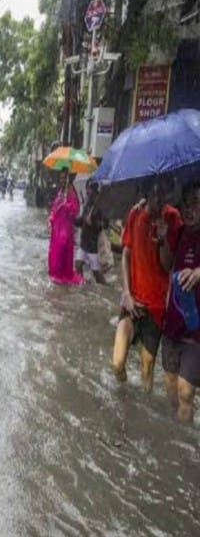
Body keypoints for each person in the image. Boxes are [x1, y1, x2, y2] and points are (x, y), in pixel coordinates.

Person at [112, 178, 180, 389]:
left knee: (146, 370)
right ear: (146, 192)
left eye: (163, 194)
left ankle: (140, 409)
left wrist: (163, 240)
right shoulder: (135, 214)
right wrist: (127, 294)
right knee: (117, 363)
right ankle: (122, 399)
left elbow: (168, 266)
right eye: (155, 194)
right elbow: (125, 255)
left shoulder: (172, 218)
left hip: (156, 308)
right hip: (132, 301)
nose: (159, 199)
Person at [160, 182, 200, 424]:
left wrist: (198, 273)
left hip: (195, 331)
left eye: (196, 202)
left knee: (186, 390)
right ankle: (176, 441)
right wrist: (163, 240)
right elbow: (166, 266)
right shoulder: (180, 232)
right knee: (171, 389)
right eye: (186, 203)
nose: (189, 208)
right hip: (172, 325)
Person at [48, 170, 83, 285]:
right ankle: (55, 274)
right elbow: (54, 208)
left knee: (63, 249)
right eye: (61, 178)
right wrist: (50, 218)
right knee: (55, 251)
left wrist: (66, 205)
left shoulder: (71, 192)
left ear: (68, 179)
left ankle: (63, 275)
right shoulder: (60, 192)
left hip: (66, 228)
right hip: (57, 228)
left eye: (64, 178)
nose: (62, 180)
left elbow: (75, 210)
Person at [75, 182, 108, 284]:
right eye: (86, 189)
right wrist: (73, 219)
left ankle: (106, 286)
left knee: (96, 273)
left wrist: (93, 223)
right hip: (84, 243)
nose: (87, 191)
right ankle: (82, 286)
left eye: (88, 189)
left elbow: (105, 224)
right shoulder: (87, 203)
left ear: (94, 190)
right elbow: (82, 221)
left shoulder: (101, 205)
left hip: (93, 246)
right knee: (78, 264)